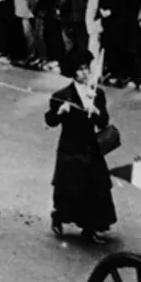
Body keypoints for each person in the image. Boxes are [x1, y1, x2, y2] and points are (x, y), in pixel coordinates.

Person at [45, 48, 117, 244]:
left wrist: (96, 112)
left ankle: (91, 227)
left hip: (90, 146)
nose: (85, 73)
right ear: (72, 72)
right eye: (80, 70)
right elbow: (50, 121)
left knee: (96, 186)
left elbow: (103, 122)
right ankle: (59, 216)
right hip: (70, 148)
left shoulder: (97, 94)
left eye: (87, 69)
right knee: (72, 188)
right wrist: (60, 111)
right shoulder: (62, 95)